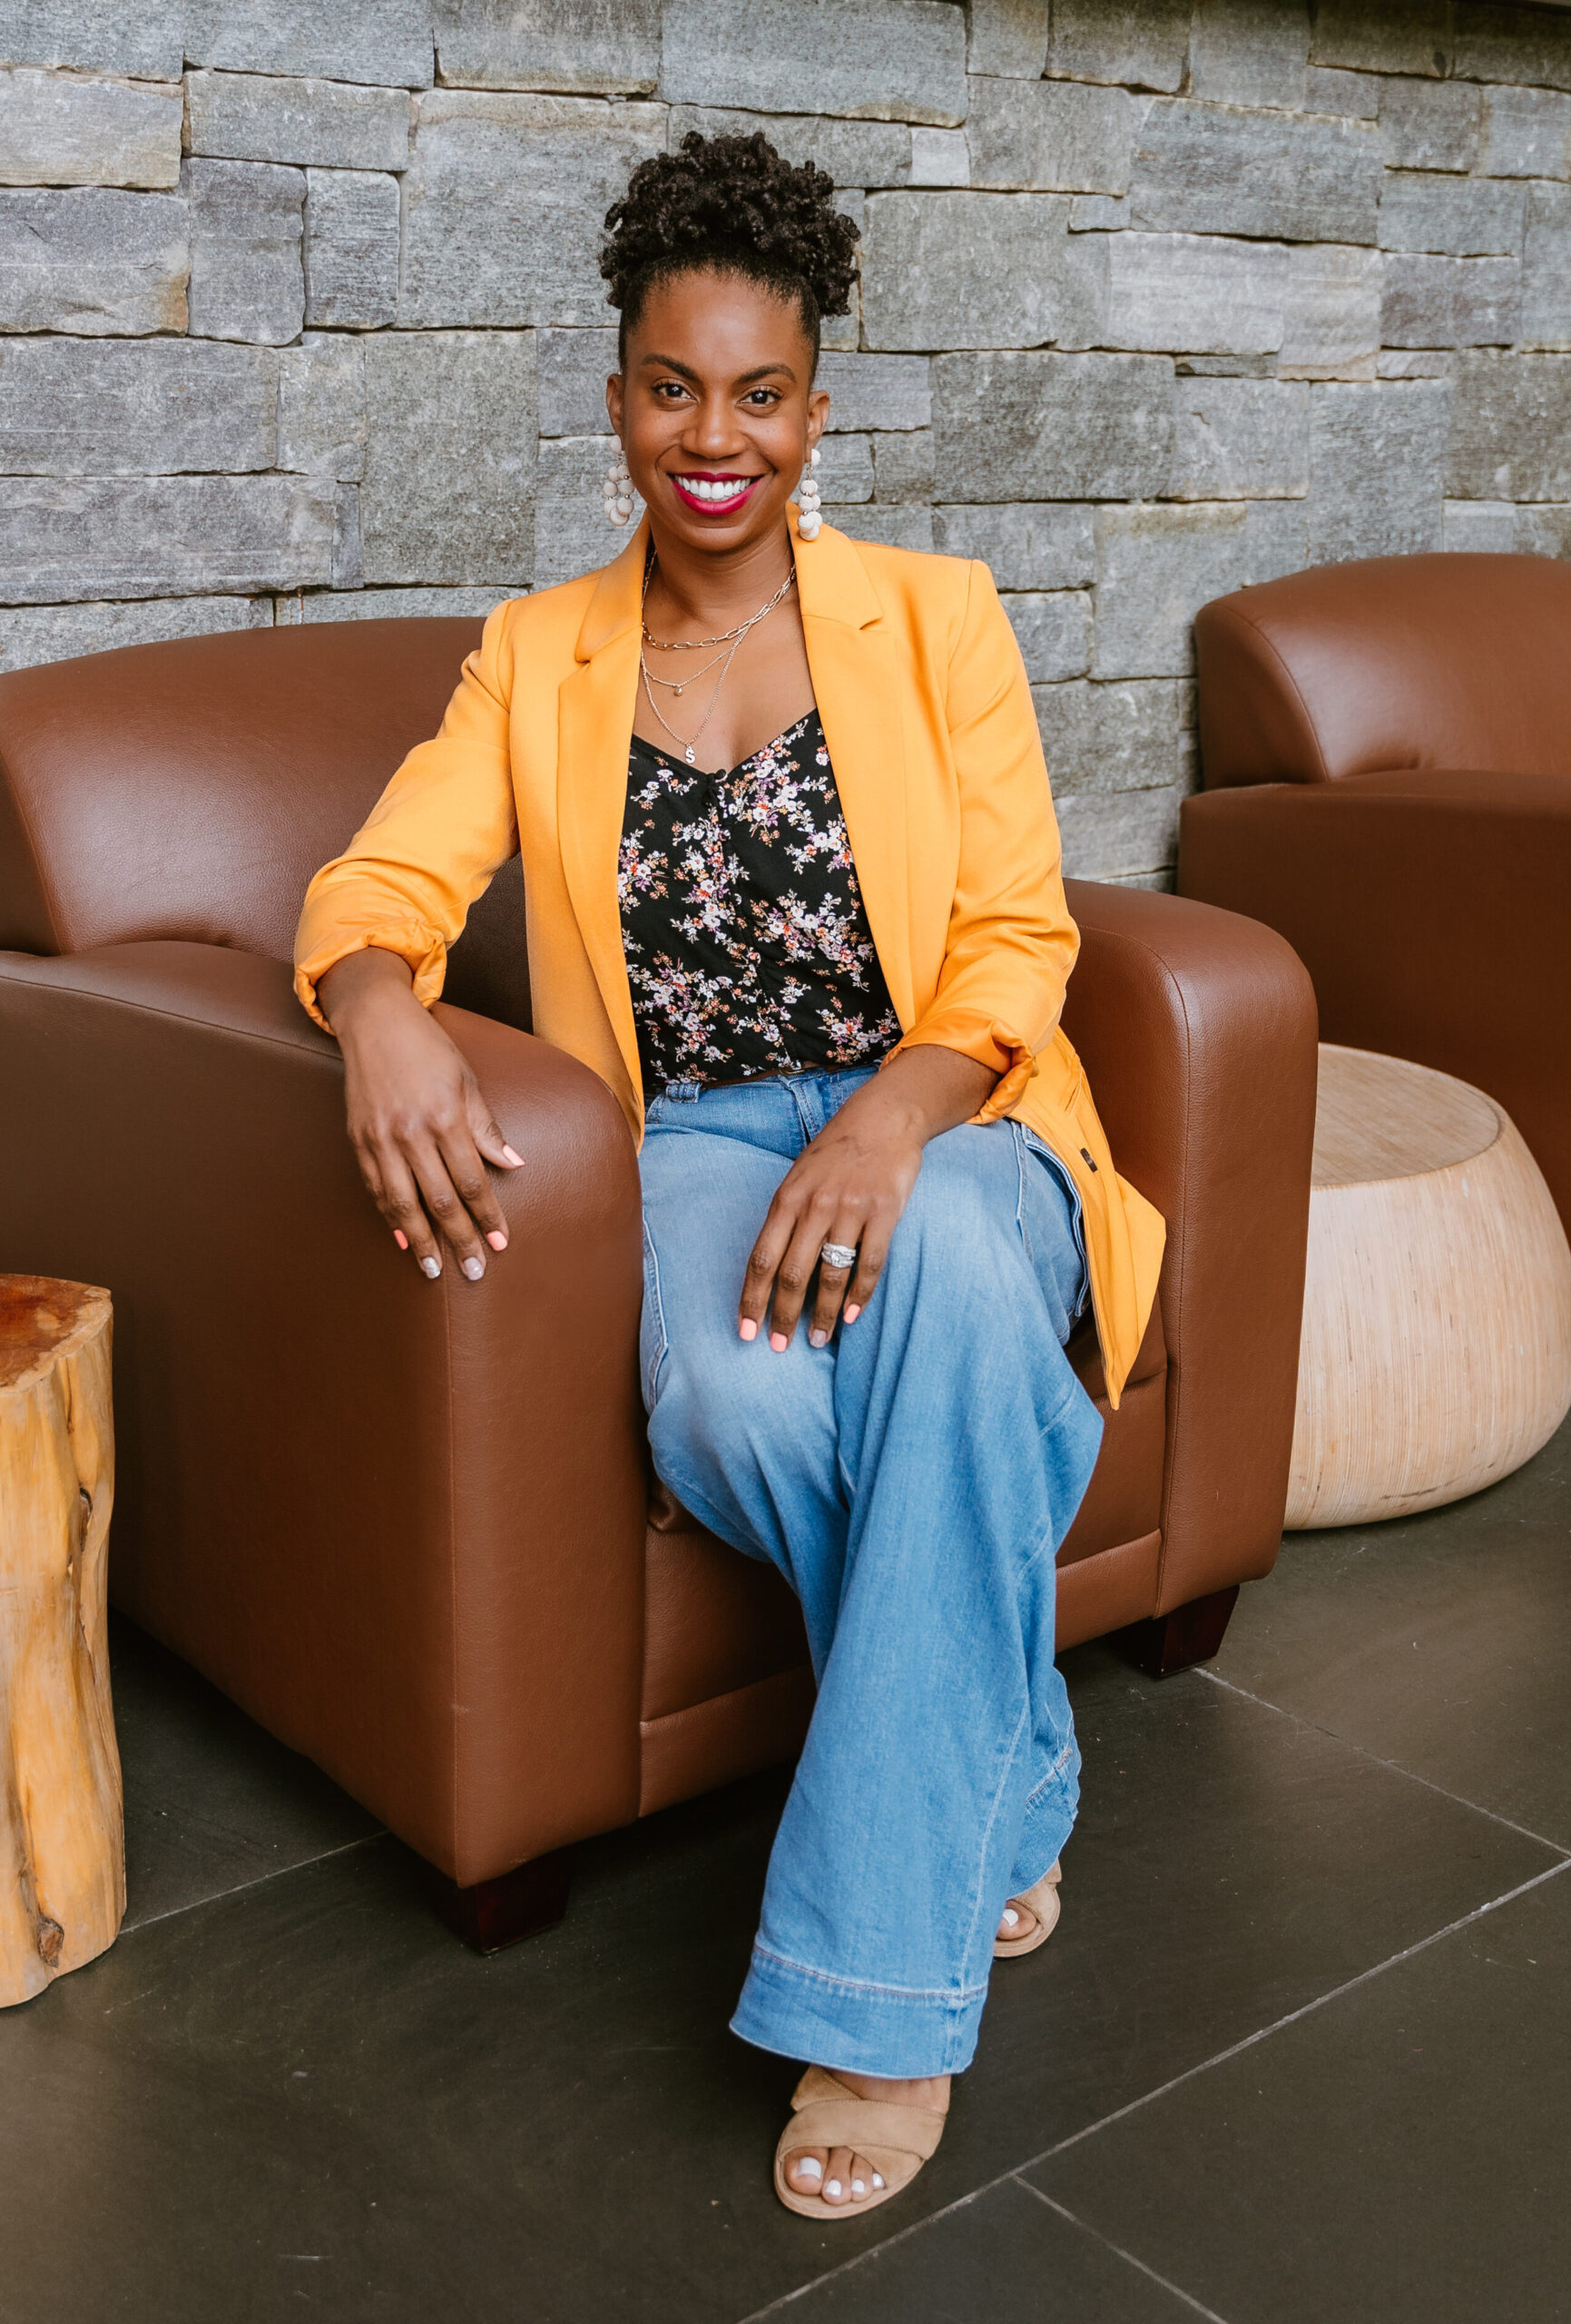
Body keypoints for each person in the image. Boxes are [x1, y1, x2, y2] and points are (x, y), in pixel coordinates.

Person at [294, 130, 1163, 2220]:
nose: (715, 436)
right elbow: (381, 876)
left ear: (813, 411)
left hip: (951, 1117)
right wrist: (380, 1000)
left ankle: (870, 1995)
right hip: (686, 1141)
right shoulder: (534, 655)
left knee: (951, 1268)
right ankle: (1012, 1762)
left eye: (759, 392)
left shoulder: (936, 618)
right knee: (736, 1394)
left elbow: (1023, 936)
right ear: (615, 398)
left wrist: (891, 1115)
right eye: (673, 385)